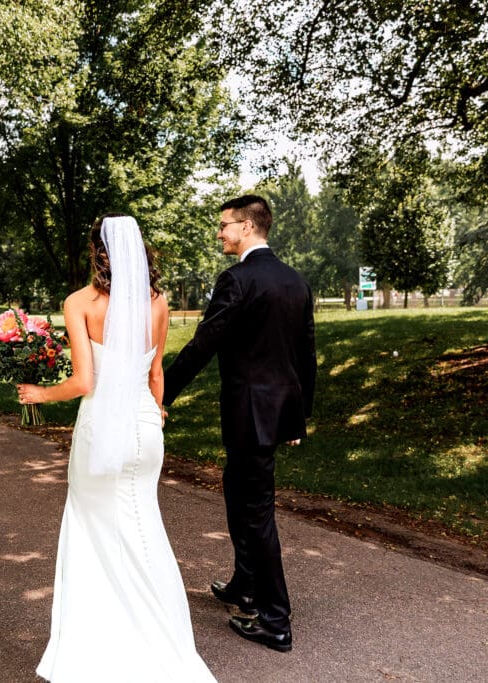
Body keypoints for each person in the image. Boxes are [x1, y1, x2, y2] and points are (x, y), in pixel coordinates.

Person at [17, 214, 216, 682]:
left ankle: (98, 657)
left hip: (101, 433)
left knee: (92, 536)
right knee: (146, 531)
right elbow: (155, 375)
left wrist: (39, 394)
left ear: (97, 252)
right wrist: (158, 410)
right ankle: (164, 647)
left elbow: (86, 381)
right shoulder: (159, 302)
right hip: (146, 431)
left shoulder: (80, 303)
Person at [162, 194, 317, 653]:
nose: (220, 232)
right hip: (274, 412)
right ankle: (245, 585)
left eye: (224, 225)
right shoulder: (296, 281)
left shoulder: (237, 280)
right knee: (238, 491)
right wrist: (298, 415)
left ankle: (275, 621)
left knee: (256, 512)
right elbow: (304, 355)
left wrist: (160, 393)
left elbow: (203, 344)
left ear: (247, 227)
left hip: (249, 413)